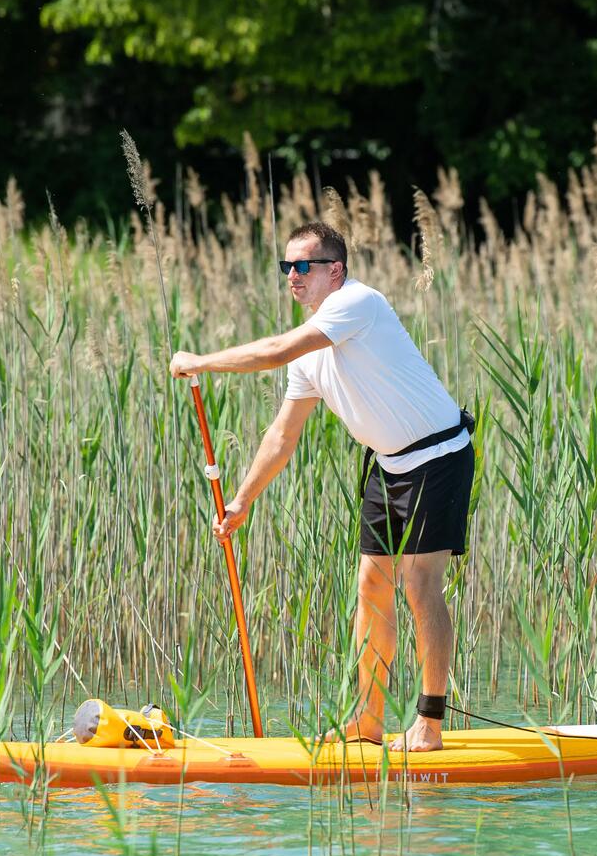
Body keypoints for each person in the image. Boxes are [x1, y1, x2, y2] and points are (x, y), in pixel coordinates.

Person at [169, 221, 474, 752]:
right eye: (286, 266)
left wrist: (202, 362)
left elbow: (276, 349)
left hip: (438, 457)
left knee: (419, 585)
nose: (292, 275)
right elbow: (282, 435)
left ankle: (429, 724)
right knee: (371, 588)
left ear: (335, 270)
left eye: (303, 265)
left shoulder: (358, 303)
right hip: (386, 464)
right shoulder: (313, 352)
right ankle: (368, 722)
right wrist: (242, 501)